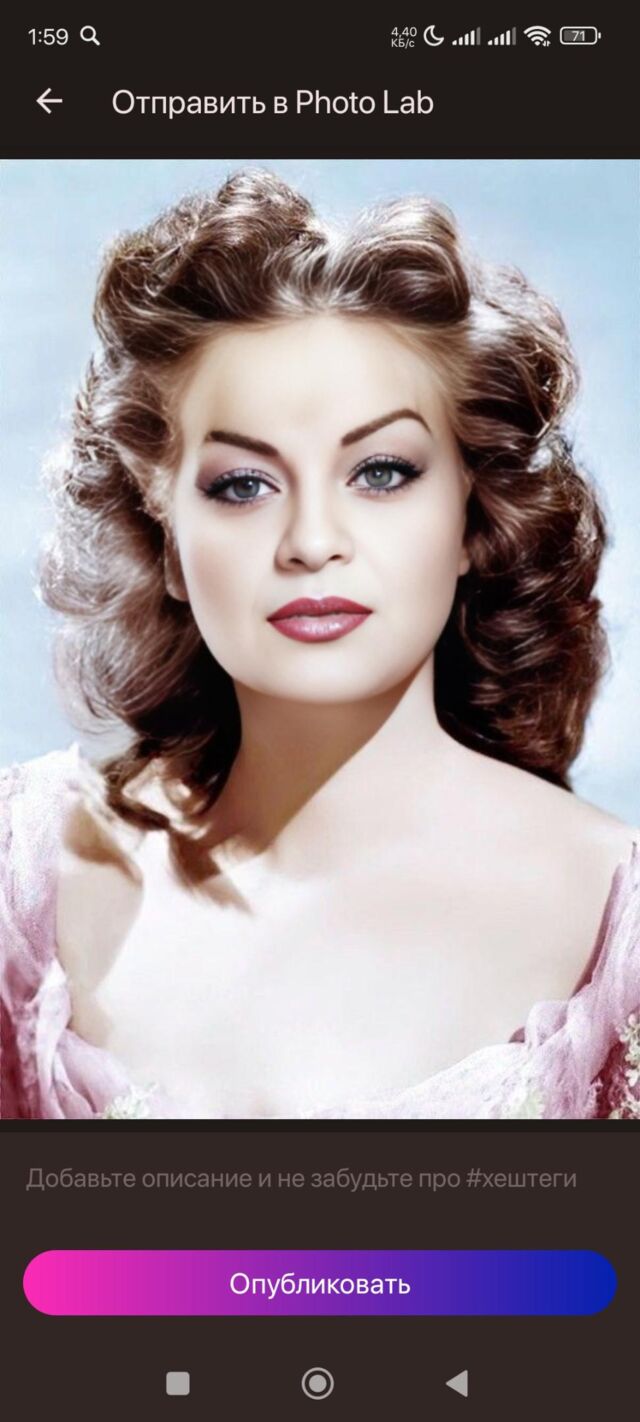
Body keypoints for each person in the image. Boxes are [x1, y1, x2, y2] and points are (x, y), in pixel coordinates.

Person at [1, 168, 638, 1121]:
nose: (310, 541)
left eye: (380, 472)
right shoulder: (29, 883)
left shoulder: (615, 921)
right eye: (242, 485)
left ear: (473, 518)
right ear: (166, 541)